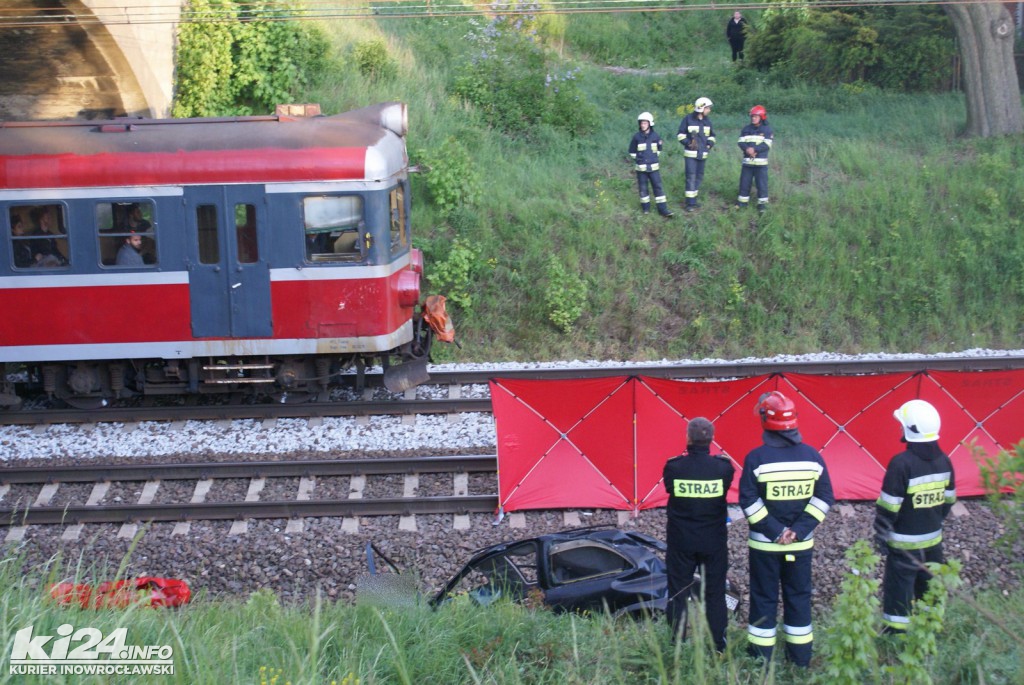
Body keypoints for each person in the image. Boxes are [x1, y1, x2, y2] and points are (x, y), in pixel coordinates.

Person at [740, 390, 834, 668]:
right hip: (800, 546)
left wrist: (776, 531)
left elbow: (748, 500)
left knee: (763, 599)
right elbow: (824, 497)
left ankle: (760, 662)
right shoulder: (813, 458)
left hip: (764, 546)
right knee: (799, 599)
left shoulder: (756, 459)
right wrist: (798, 530)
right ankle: (800, 661)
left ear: (765, 421)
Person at [873, 399, 956, 634]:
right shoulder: (945, 461)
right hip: (933, 544)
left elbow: (889, 506)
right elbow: (948, 501)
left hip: (903, 547)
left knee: (898, 594)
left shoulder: (901, 464)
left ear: (910, 429)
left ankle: (896, 637)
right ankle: (928, 633)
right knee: (929, 591)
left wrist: (880, 535)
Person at [663, 417, 735, 651]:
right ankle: (718, 646)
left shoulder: (674, 467)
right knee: (715, 594)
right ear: (712, 439)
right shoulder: (724, 468)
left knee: (678, 592)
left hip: (681, 542)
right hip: (713, 542)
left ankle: (676, 645)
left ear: (687, 438)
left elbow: (669, 488)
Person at [628, 112, 674, 217]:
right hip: (641, 169)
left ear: (650, 124)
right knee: (643, 189)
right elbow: (631, 151)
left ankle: (663, 209)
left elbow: (659, 149)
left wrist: (652, 158)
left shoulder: (655, 136)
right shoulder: (636, 137)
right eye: (641, 123)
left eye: (645, 123)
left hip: (654, 168)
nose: (642, 125)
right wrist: (639, 159)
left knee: (658, 188)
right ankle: (645, 209)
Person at [677, 98, 716, 212]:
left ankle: (693, 200)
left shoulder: (707, 121)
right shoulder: (688, 119)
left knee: (699, 177)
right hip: (691, 154)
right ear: (701, 108)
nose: (709, 110)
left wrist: (709, 145)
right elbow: (680, 135)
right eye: (707, 108)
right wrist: (688, 143)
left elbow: (712, 136)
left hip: (703, 154)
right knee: (691, 177)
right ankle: (689, 203)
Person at [736, 105, 773, 213]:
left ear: (762, 117)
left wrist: (754, 150)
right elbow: (740, 142)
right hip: (747, 163)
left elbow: (767, 144)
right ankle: (742, 204)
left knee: (762, 184)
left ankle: (762, 205)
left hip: (761, 164)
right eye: (752, 116)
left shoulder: (767, 130)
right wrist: (747, 149)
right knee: (744, 183)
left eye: (756, 116)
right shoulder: (746, 129)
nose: (753, 118)